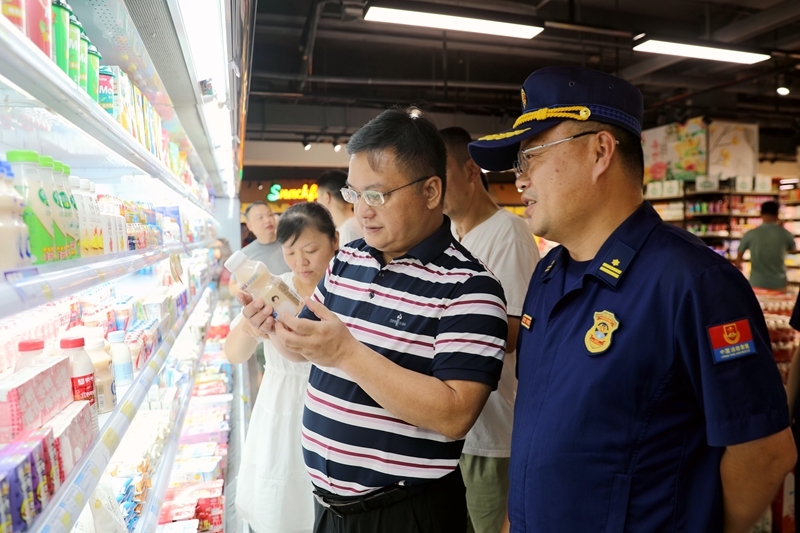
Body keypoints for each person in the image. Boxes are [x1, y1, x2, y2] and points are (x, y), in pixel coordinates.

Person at [468, 66, 796, 533]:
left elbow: (764, 450)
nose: (519, 180)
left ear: (600, 151)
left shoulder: (693, 282)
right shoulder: (547, 275)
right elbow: (538, 434)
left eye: (530, 157)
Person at [236, 107, 508, 533]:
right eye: (354, 194)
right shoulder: (348, 258)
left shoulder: (470, 288)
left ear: (432, 191)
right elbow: (310, 346)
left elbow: (455, 413)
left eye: (377, 195)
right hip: (328, 506)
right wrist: (271, 328)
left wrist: (347, 353)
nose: (362, 212)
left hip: (406, 513)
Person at [439, 126, 539, 533]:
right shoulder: (452, 237)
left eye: (441, 175)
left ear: (470, 170)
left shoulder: (509, 234)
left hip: (495, 431)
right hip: (456, 426)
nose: (434, 187)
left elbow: (516, 332)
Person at [225, 202, 340, 533]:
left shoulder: (347, 292)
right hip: (282, 407)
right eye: (289, 252)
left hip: (334, 409)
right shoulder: (275, 288)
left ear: (334, 241)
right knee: (284, 506)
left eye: (310, 250)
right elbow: (233, 353)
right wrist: (249, 328)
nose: (300, 262)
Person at [228, 202, 290, 297]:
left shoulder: (289, 243)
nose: (267, 220)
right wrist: (254, 294)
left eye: (270, 215)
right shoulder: (245, 254)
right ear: (250, 226)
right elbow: (232, 286)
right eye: (260, 218)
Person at [735, 201, 797, 290]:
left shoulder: (750, 234)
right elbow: (793, 250)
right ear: (777, 214)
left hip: (756, 282)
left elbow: (738, 259)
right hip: (779, 283)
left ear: (760, 214)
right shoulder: (785, 234)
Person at [316, 169, 363, 245]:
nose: (317, 201)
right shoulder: (354, 225)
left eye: (318, 197)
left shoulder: (349, 231)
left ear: (327, 197)